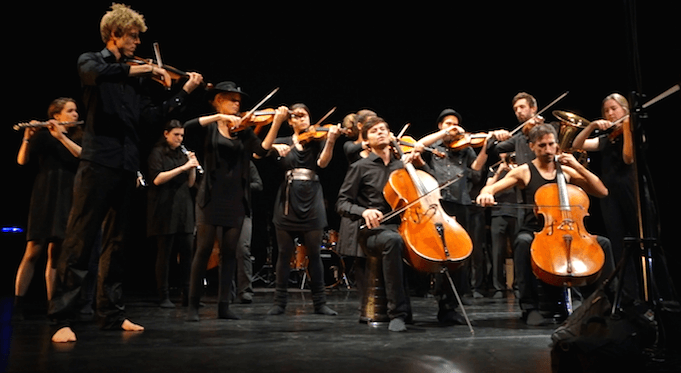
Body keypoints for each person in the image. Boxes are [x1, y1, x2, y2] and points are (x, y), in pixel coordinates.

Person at [49, 4, 205, 343]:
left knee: (118, 243)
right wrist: (143, 70)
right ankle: (62, 317)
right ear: (114, 35)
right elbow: (98, 75)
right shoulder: (91, 61)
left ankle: (112, 313)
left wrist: (184, 93)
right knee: (80, 240)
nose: (137, 43)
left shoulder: (137, 83)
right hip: (97, 162)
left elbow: (151, 119)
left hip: (126, 164)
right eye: (133, 37)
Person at [476, 123, 615, 325]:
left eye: (551, 144)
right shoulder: (524, 171)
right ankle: (529, 307)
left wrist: (577, 166)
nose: (548, 150)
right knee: (522, 242)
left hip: (570, 228)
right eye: (542, 145)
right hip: (537, 231)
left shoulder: (566, 171)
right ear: (532, 146)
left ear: (557, 145)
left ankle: (603, 302)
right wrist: (485, 194)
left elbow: (602, 191)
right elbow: (491, 189)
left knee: (603, 244)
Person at [183, 81, 284, 321]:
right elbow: (187, 126)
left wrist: (277, 123)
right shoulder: (209, 127)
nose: (237, 103)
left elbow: (260, 151)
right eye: (232, 99)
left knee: (230, 252)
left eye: (239, 101)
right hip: (210, 196)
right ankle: (193, 306)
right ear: (218, 100)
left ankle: (224, 306)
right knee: (204, 250)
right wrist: (217, 117)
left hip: (236, 197)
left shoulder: (245, 130)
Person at [417, 109, 509, 317]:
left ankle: (453, 302)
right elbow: (419, 145)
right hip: (438, 203)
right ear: (440, 125)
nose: (454, 128)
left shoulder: (465, 149)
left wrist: (486, 146)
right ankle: (439, 294)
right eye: (448, 124)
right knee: (441, 251)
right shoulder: (435, 145)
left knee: (459, 252)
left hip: (461, 202)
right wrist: (445, 133)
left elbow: (476, 172)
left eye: (456, 124)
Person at [336, 116, 416, 331]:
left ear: (391, 135)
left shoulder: (403, 166)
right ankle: (397, 313)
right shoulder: (360, 167)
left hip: (402, 225)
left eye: (384, 129)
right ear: (367, 142)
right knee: (392, 240)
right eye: (374, 131)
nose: (380, 132)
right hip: (372, 231)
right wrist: (364, 211)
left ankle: (448, 308)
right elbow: (342, 203)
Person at [266, 103, 340, 317]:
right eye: (296, 117)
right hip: (288, 201)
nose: (302, 119)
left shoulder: (318, 140)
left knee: (314, 254)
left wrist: (332, 140)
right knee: (284, 253)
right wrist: (273, 147)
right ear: (290, 122)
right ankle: (279, 302)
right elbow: (259, 151)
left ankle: (320, 303)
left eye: (304, 115)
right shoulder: (283, 143)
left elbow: (323, 163)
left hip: (312, 198)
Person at [14, 98, 82, 319]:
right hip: (45, 194)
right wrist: (27, 137)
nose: (74, 115)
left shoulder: (77, 136)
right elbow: (22, 161)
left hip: (67, 195)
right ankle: (18, 305)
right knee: (33, 250)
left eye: (75, 111)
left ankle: (54, 305)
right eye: (70, 111)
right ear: (56, 116)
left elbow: (82, 156)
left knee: (57, 253)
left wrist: (61, 136)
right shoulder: (42, 136)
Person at [146, 120, 199, 308]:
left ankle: (188, 295)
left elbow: (191, 184)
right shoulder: (157, 153)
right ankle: (164, 295)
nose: (180, 138)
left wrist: (192, 168)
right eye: (176, 134)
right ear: (166, 133)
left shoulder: (183, 154)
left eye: (182, 135)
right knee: (165, 255)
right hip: (164, 207)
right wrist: (184, 168)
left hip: (184, 207)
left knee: (187, 253)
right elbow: (157, 179)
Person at [486, 153, 521, 299]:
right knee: (497, 252)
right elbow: (488, 188)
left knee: (518, 251)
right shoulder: (494, 170)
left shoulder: (519, 169)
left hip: (516, 212)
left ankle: (518, 285)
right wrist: (500, 171)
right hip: (498, 213)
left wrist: (514, 170)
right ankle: (498, 287)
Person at [234, 161, 263, 304]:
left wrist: (241, 186)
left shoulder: (247, 163)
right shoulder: (219, 161)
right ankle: (226, 290)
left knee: (243, 249)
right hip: (222, 212)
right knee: (225, 252)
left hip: (243, 212)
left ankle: (245, 290)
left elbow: (258, 184)